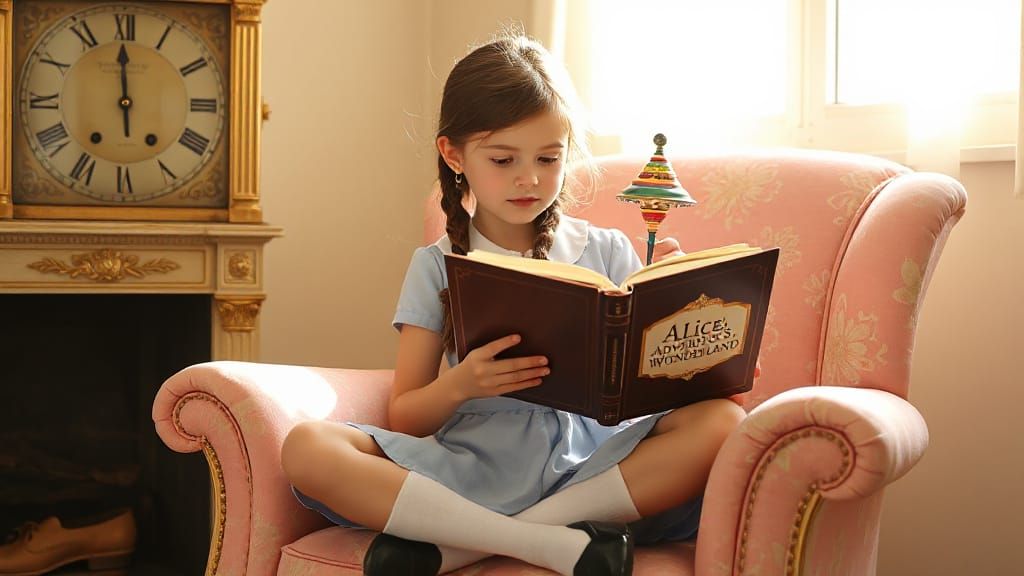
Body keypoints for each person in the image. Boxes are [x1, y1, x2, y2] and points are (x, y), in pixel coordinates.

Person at [280, 33, 746, 576]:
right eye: (503, 159)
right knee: (307, 446)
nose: (529, 178)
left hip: (592, 472)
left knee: (722, 420)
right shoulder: (437, 264)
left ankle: (464, 545)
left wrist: (688, 328)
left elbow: (650, 387)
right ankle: (550, 542)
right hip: (471, 470)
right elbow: (404, 414)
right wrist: (463, 384)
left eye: (549, 158)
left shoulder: (610, 251)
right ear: (453, 154)